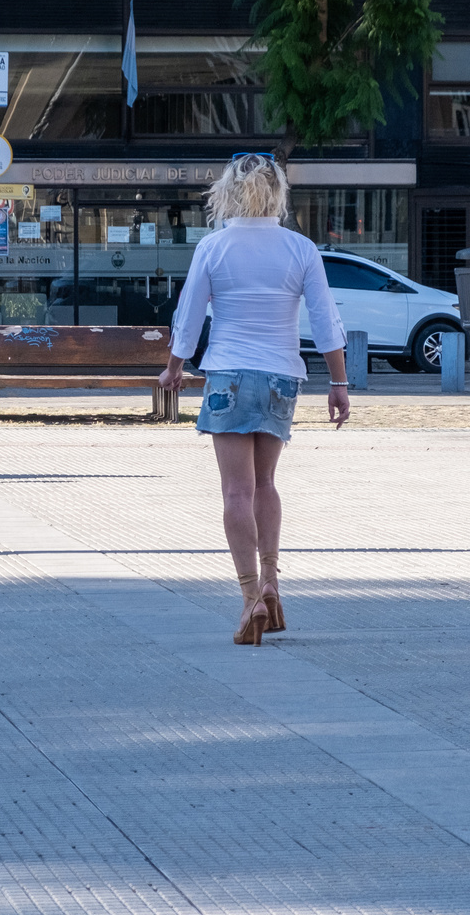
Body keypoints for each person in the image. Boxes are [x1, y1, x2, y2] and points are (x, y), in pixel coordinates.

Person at [158, 154, 350, 646]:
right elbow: (326, 320)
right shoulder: (301, 248)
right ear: (277, 193)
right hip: (281, 377)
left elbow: (190, 314)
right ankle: (272, 582)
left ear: (228, 193)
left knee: (235, 493)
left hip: (228, 376)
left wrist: (175, 368)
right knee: (265, 484)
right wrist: (339, 384)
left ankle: (249, 598)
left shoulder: (213, 247)